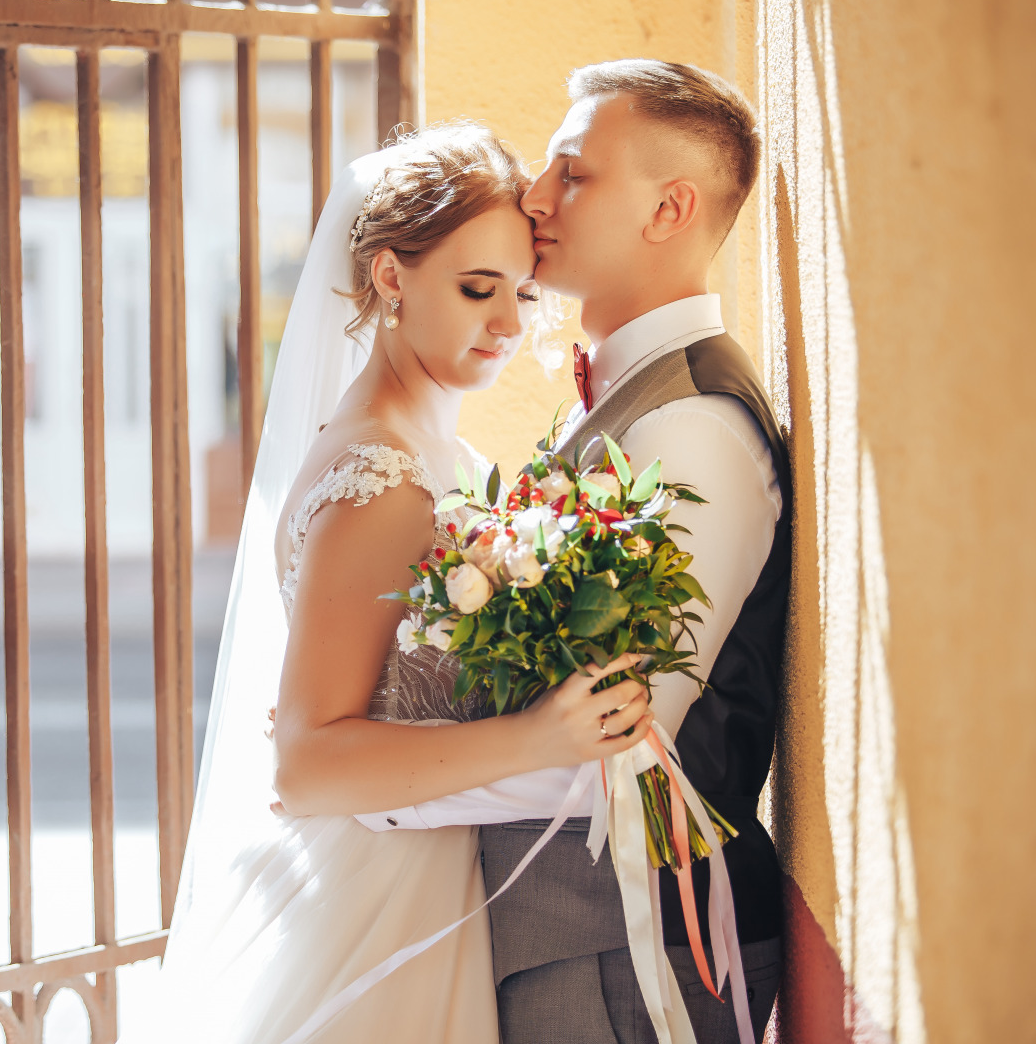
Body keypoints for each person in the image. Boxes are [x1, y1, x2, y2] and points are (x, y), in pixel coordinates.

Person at [151, 122, 658, 1044]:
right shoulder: (382, 479)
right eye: (476, 290)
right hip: (370, 907)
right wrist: (536, 735)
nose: (507, 324)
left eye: (523, 291)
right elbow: (304, 764)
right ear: (390, 278)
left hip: (429, 881)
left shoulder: (439, 452)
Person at [356, 61, 791, 1044]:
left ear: (668, 209)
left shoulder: (692, 432)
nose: (534, 198)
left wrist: (374, 788)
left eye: (572, 173)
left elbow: (623, 749)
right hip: (567, 934)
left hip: (623, 950)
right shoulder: (623, 404)